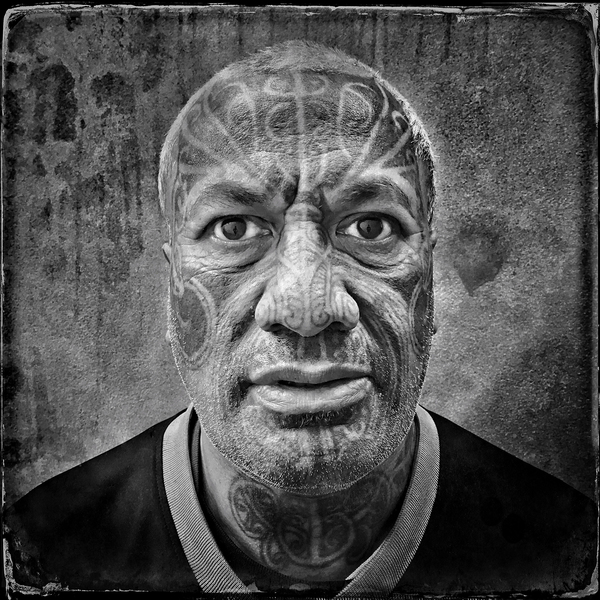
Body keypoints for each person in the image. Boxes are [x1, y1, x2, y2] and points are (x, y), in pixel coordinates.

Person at [4, 41, 596, 597]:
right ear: (172, 285)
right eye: (234, 228)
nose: (306, 309)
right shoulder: (37, 558)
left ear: (430, 279)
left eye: (371, 227)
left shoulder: (571, 553)